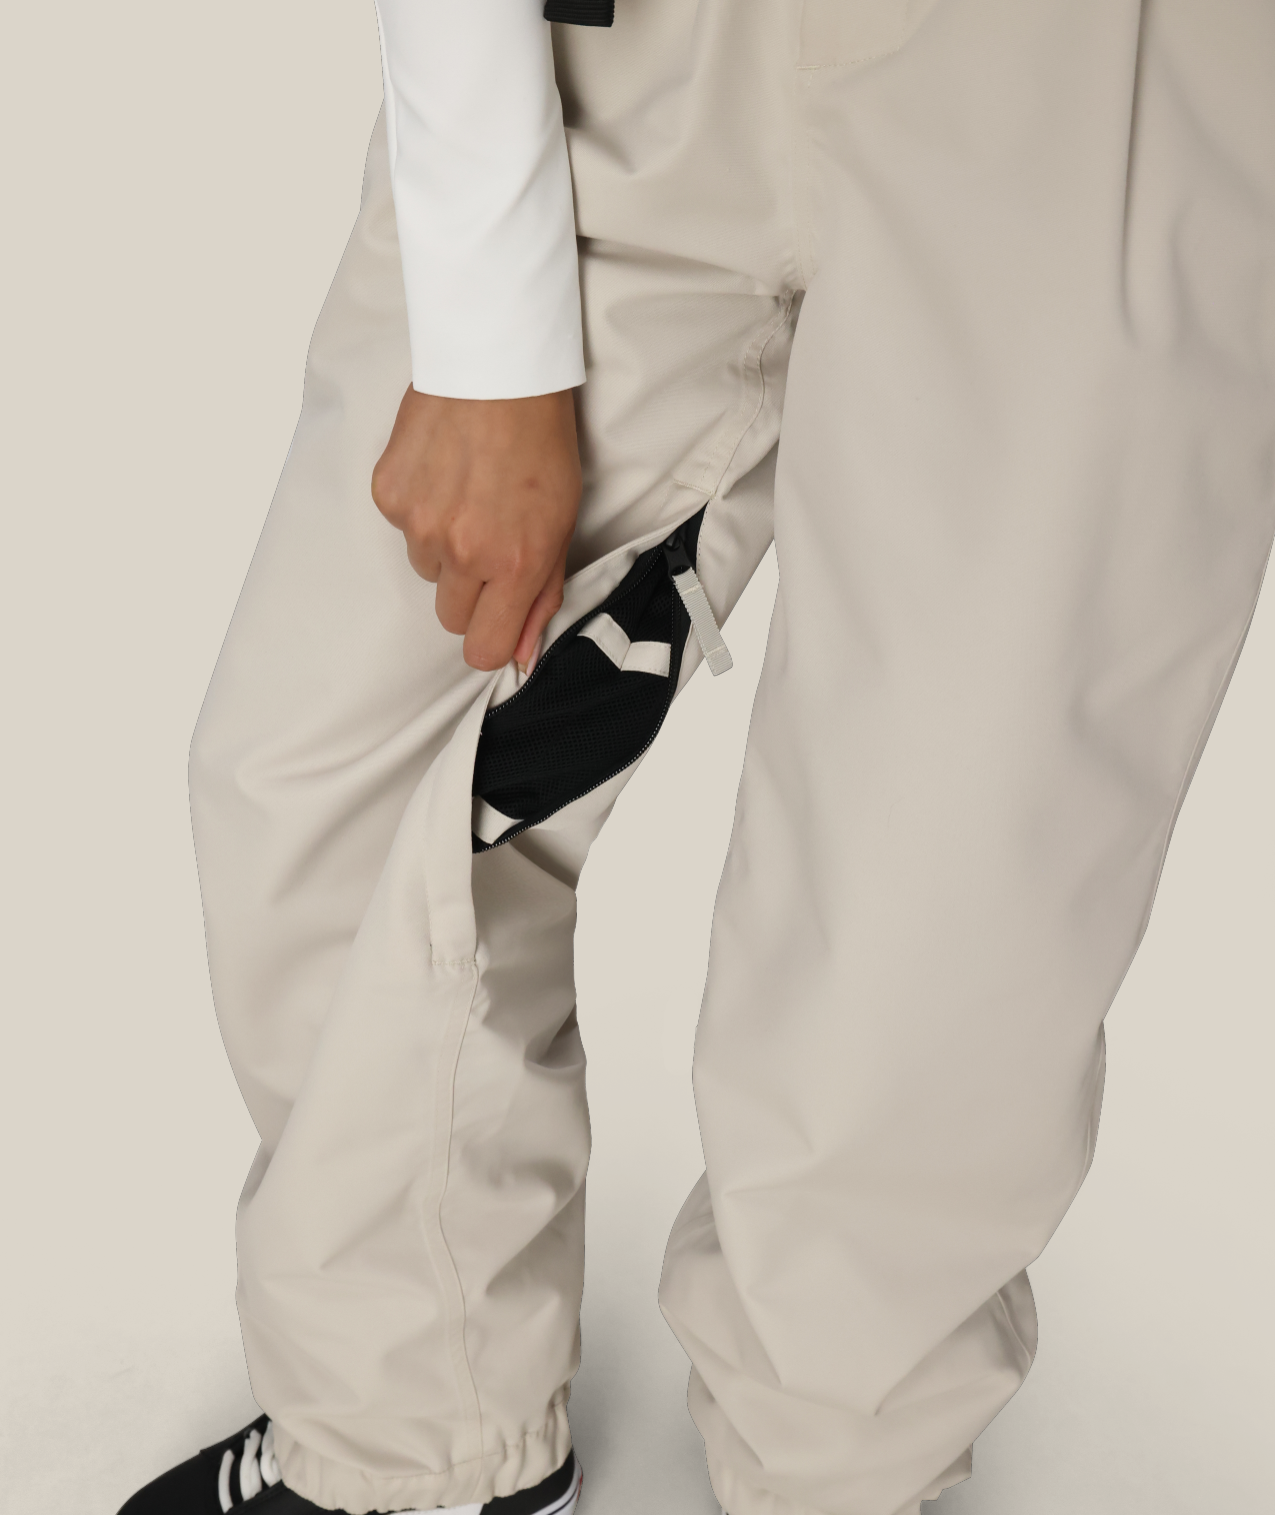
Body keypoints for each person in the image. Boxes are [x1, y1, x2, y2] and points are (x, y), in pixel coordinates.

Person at [118, 2, 1275, 1514]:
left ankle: (835, 1469)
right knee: (337, 765)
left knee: (955, 869)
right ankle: (411, 1449)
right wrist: (487, 331)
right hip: (634, 49)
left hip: (1098, 56)